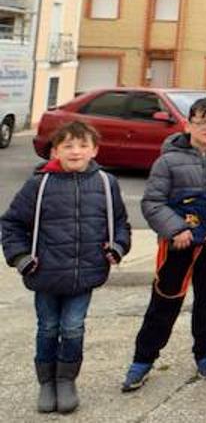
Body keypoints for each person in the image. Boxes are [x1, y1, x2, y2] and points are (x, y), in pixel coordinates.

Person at [3, 120, 130, 414]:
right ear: (55, 151)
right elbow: (11, 224)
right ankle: (46, 382)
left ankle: (66, 380)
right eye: (68, 146)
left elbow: (120, 223)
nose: (75, 151)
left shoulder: (105, 183)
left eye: (83, 145)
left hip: (85, 274)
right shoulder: (39, 184)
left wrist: (118, 247)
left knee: (73, 328)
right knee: (48, 328)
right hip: (44, 274)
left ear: (94, 150)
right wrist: (21, 257)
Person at [123, 97, 206, 391]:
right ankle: (143, 360)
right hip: (178, 244)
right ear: (188, 124)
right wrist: (176, 229)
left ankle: (204, 355)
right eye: (202, 122)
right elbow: (152, 203)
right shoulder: (167, 161)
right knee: (165, 301)